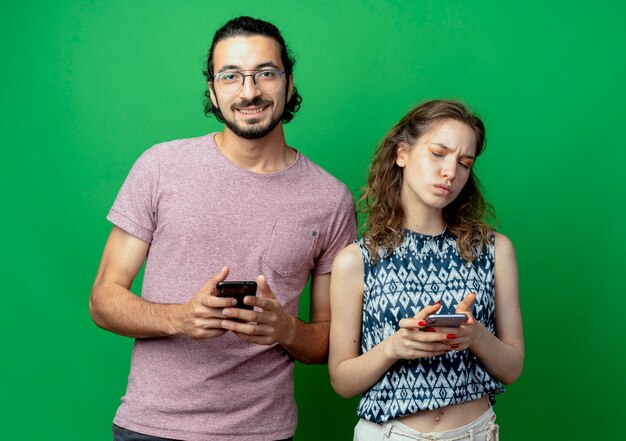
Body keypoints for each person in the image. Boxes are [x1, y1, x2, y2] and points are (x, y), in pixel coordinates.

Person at [90, 16, 357, 441]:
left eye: (265, 74)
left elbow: (330, 339)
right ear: (212, 91)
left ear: (288, 84)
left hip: (263, 432)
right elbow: (103, 301)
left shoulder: (331, 199)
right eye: (231, 76)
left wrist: (285, 329)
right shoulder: (160, 167)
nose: (249, 91)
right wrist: (180, 318)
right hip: (152, 427)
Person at [328, 100, 523, 440]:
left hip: (474, 432)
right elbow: (342, 381)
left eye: (464, 163)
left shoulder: (495, 250)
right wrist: (394, 347)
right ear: (402, 153)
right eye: (438, 153)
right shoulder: (355, 260)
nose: (451, 172)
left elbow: (512, 367)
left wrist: (474, 336)